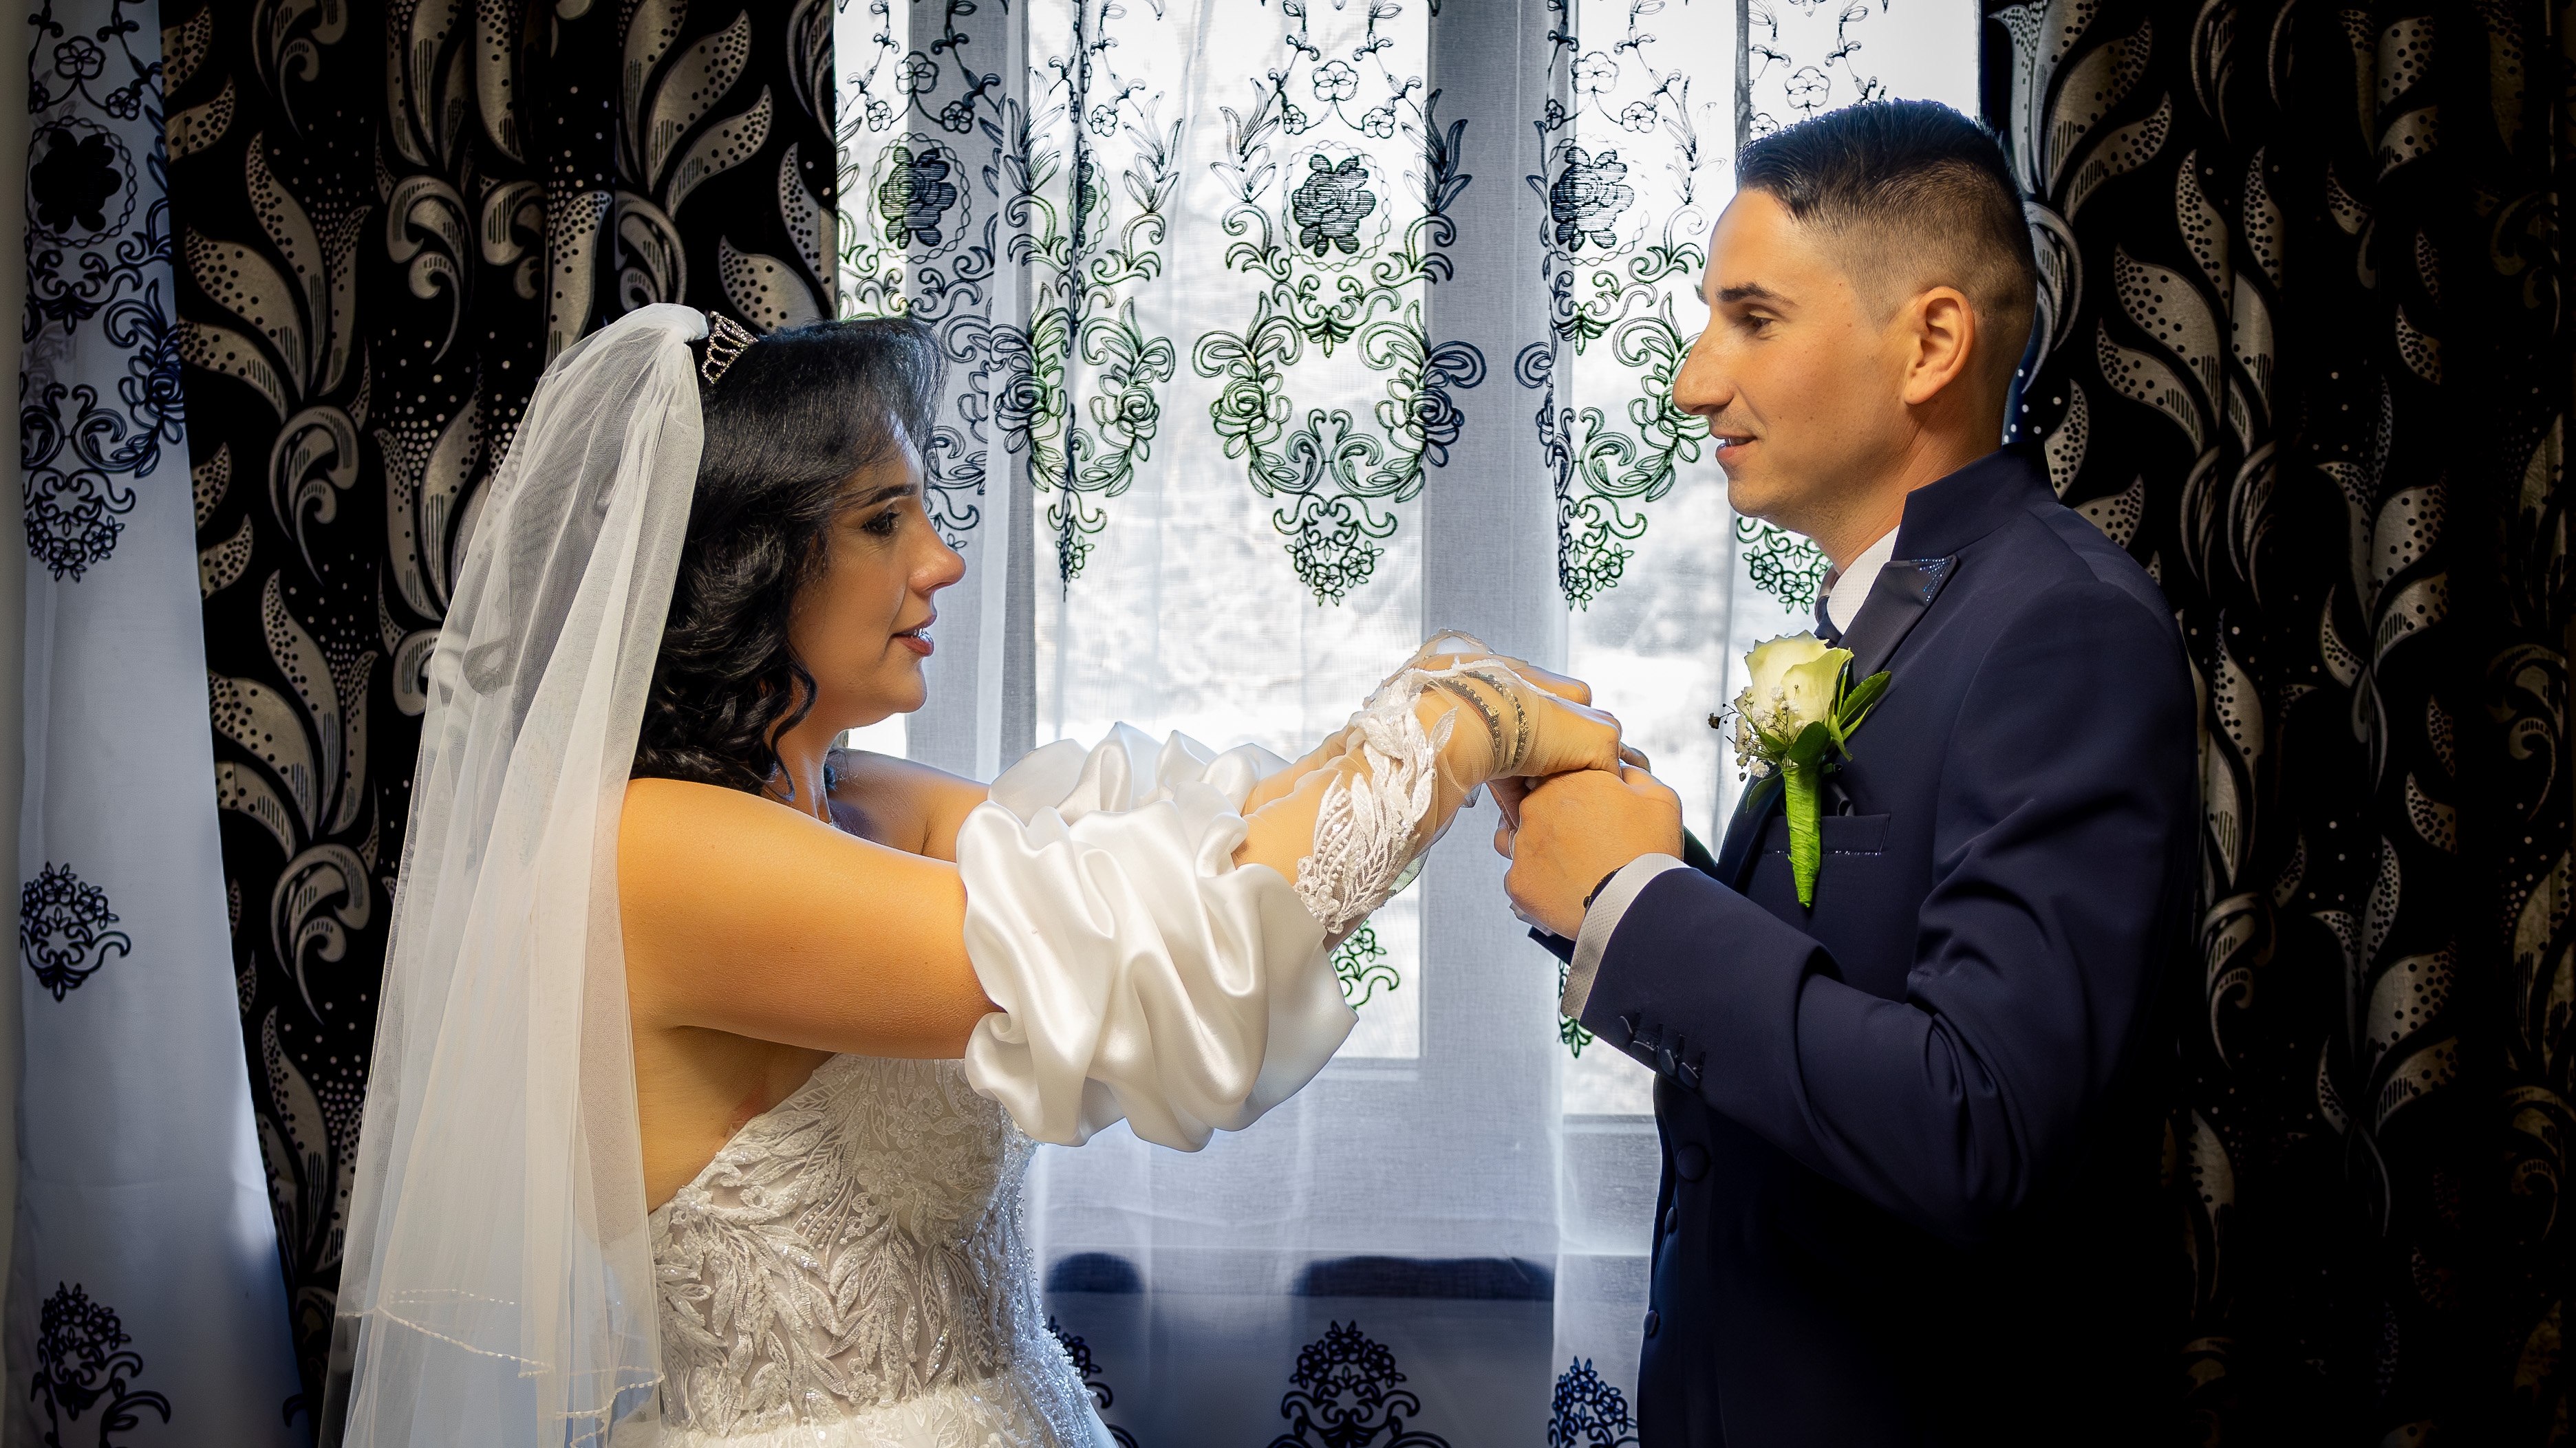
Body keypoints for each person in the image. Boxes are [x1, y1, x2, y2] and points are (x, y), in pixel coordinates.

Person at [319, 304, 1622, 1448]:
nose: (939, 560)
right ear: (746, 558)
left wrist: (1432, 690)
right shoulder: (654, 847)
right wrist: (1464, 731)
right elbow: (1132, 954)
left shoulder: (861, 802)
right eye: (884, 519)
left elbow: (1192, 857)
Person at [1499, 101, 2196, 1444]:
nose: (1695, 382)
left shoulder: (2065, 628)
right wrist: (1616, 864)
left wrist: (1639, 905)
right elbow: (1848, 979)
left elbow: (1981, 1123)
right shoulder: (1900, 609)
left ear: (1931, 343)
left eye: (1753, 319)